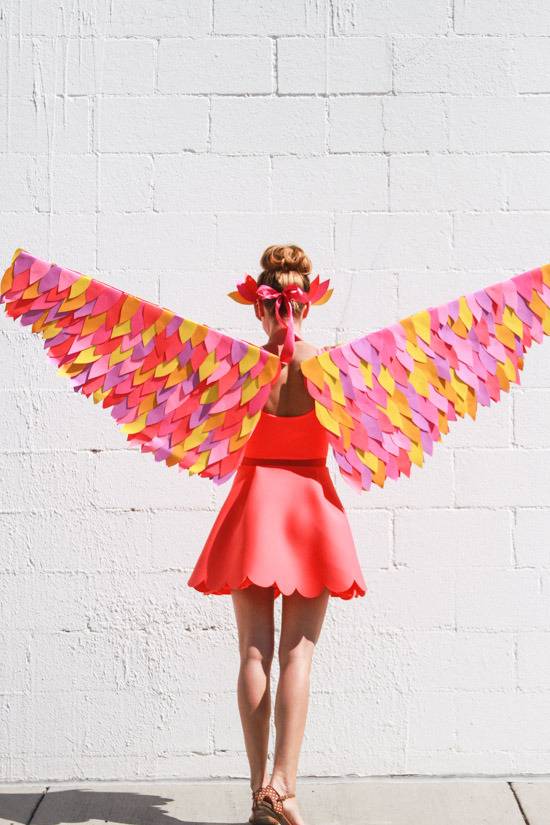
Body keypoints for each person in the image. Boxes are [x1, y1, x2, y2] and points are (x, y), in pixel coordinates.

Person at [187, 244, 367, 825]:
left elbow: (206, 432)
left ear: (261, 308)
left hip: (255, 508)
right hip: (310, 508)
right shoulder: (334, 365)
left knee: (254, 650)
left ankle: (255, 788)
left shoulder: (239, 367)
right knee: (298, 654)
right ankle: (282, 787)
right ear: (307, 303)